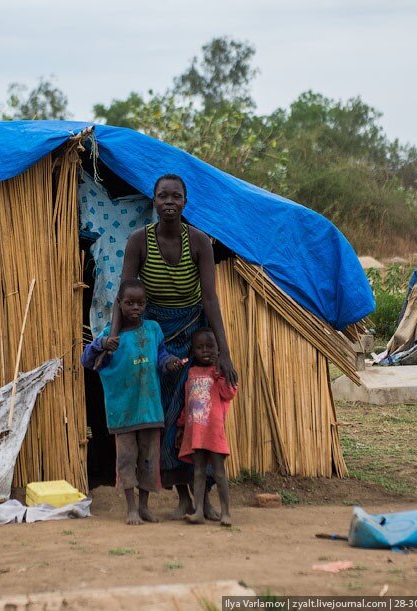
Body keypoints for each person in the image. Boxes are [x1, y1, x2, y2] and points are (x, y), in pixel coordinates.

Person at [106, 173, 238, 520]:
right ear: (153, 201)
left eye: (175, 196)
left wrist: (222, 352)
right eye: (162, 195)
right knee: (165, 418)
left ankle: (203, 496)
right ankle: (182, 494)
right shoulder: (139, 241)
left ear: (185, 202)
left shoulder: (199, 243)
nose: (169, 202)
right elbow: (123, 295)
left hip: (193, 331)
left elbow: (210, 297)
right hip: (155, 337)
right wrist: (116, 340)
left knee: (199, 413)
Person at [82, 279, 185, 525]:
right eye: (129, 303)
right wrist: (101, 344)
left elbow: (160, 355)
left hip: (149, 409)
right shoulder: (111, 336)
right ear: (120, 304)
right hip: (124, 410)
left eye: (140, 303)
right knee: (127, 460)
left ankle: (144, 507)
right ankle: (130, 509)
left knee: (149, 459)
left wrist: (169, 362)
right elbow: (86, 360)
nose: (135, 308)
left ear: (146, 304)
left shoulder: (153, 329)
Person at [177, 328, 237, 526]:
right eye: (200, 347)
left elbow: (229, 393)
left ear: (219, 349)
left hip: (213, 432)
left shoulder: (219, 372)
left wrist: (221, 373)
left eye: (210, 347)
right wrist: (181, 425)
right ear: (193, 351)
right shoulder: (192, 373)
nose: (205, 351)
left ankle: (226, 512)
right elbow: (188, 403)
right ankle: (199, 511)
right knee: (198, 472)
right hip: (195, 433)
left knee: (219, 473)